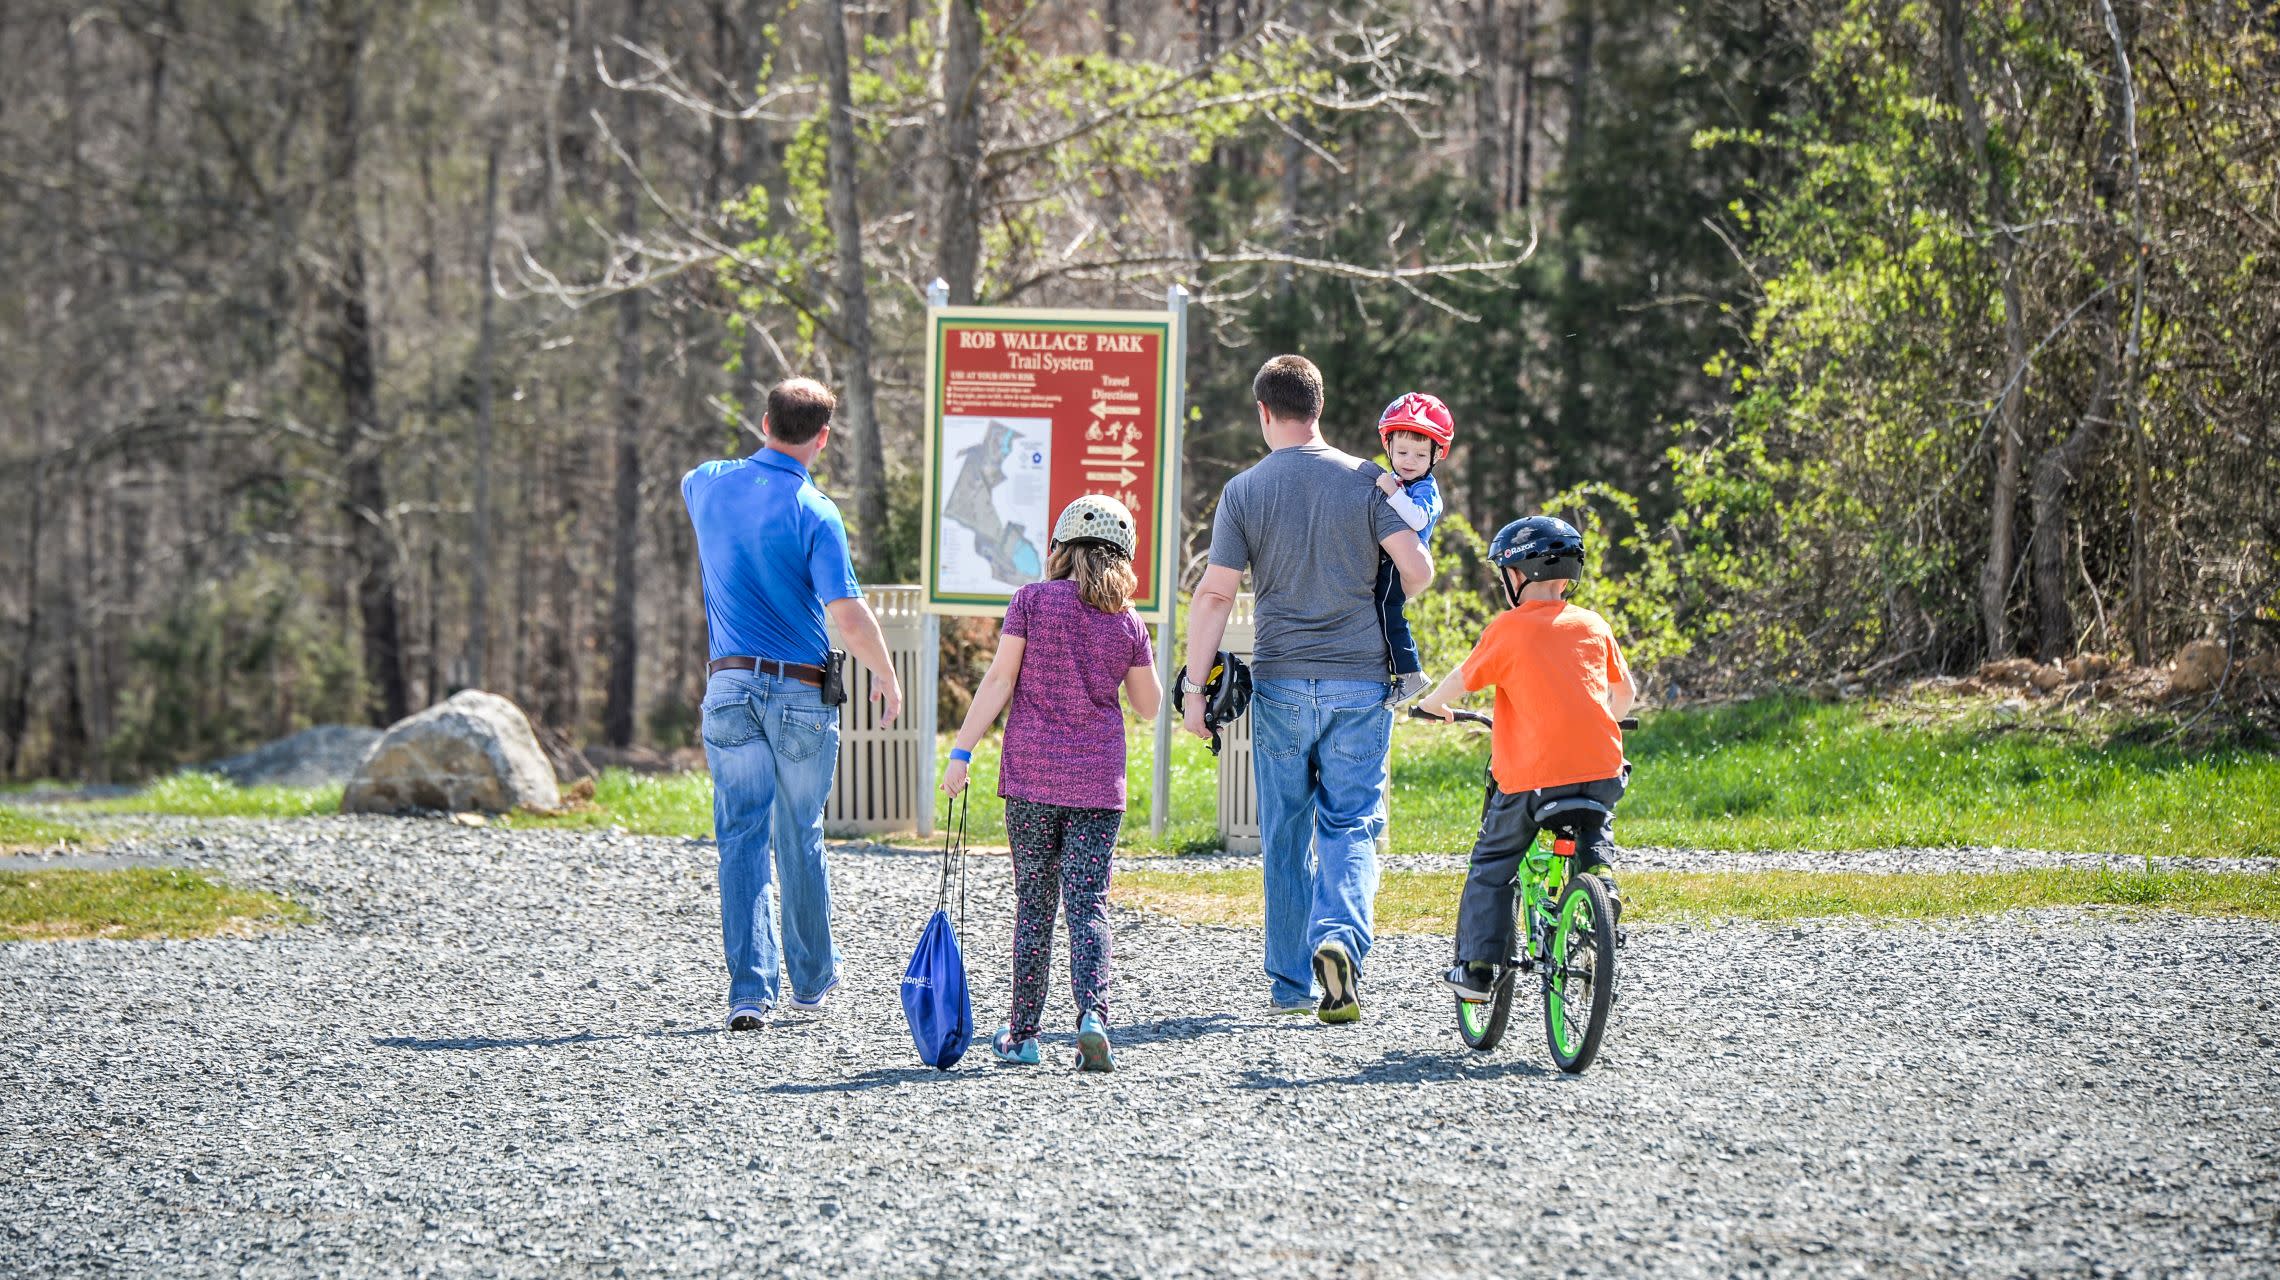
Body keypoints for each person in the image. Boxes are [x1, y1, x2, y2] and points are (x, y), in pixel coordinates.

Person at [1182, 355, 1434, 1024]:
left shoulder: (1244, 491)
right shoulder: (1367, 482)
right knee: (1350, 824)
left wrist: (1192, 691)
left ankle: (1292, 986)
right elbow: (1418, 569)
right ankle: (1340, 938)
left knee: (1286, 833)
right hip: (1360, 680)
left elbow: (1214, 595)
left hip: (1280, 682)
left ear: (1264, 412)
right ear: (1318, 408)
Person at [682, 377, 905, 1032]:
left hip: (728, 687)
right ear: (824, 439)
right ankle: (809, 986)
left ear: (763, 421)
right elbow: (847, 613)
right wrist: (885, 674)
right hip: (802, 694)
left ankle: (749, 992)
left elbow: (698, 481)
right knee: (798, 834)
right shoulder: (816, 509)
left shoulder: (706, 484)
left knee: (740, 835)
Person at [941, 495, 1160, 1072]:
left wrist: (961, 751)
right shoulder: (1127, 622)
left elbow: (997, 681)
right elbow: (1147, 706)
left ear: (1058, 549)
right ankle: (1092, 1015)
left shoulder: (1031, 602)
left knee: (1035, 905)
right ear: (1124, 556)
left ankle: (1023, 1035)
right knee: (1089, 903)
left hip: (1032, 779)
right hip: (1096, 782)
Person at [1414, 515, 1637, 1001]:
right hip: (1602, 770)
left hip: (1533, 781)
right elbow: (1625, 694)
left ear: (1517, 575)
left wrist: (1434, 705)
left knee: (1492, 864)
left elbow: (1460, 680)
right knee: (1594, 825)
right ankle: (1601, 880)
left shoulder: (1507, 629)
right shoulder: (1594, 624)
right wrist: (1605, 722)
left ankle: (1476, 971)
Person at [1371, 392, 1454, 707]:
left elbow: (1417, 517)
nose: (1409, 461)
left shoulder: (1424, 489)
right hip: (1385, 558)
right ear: (1388, 446)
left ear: (1436, 456)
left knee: (1387, 610)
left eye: (1420, 455)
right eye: (1402, 451)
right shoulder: (1399, 480)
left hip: (1398, 563)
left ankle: (1409, 673)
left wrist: (1392, 492)